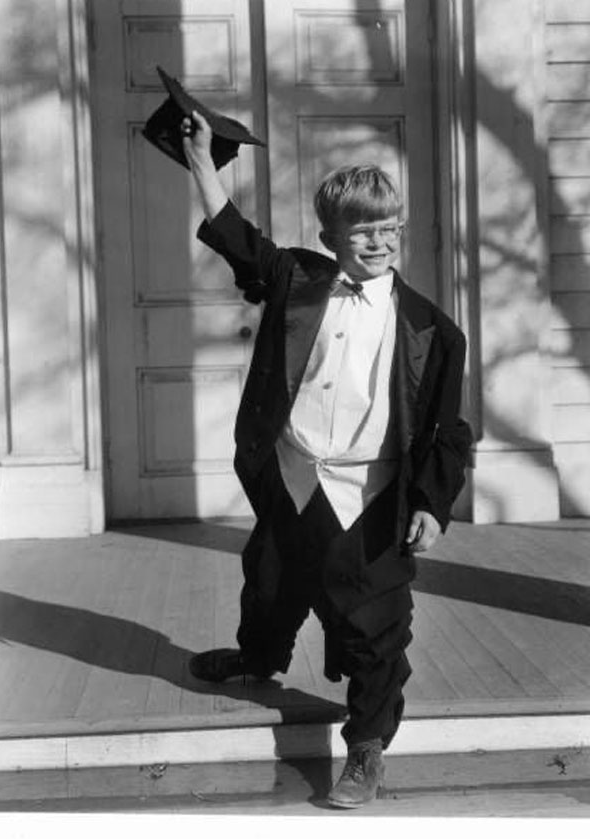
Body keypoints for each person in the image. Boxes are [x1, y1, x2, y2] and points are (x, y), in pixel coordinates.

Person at [181, 109, 473, 809]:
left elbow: (448, 430)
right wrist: (200, 163)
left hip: (369, 494)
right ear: (329, 237)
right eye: (362, 229)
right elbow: (240, 242)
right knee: (272, 578)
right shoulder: (298, 282)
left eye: (388, 226)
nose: (379, 240)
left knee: (375, 625)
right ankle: (258, 657)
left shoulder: (434, 330)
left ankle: (366, 748)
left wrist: (433, 504)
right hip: (292, 469)